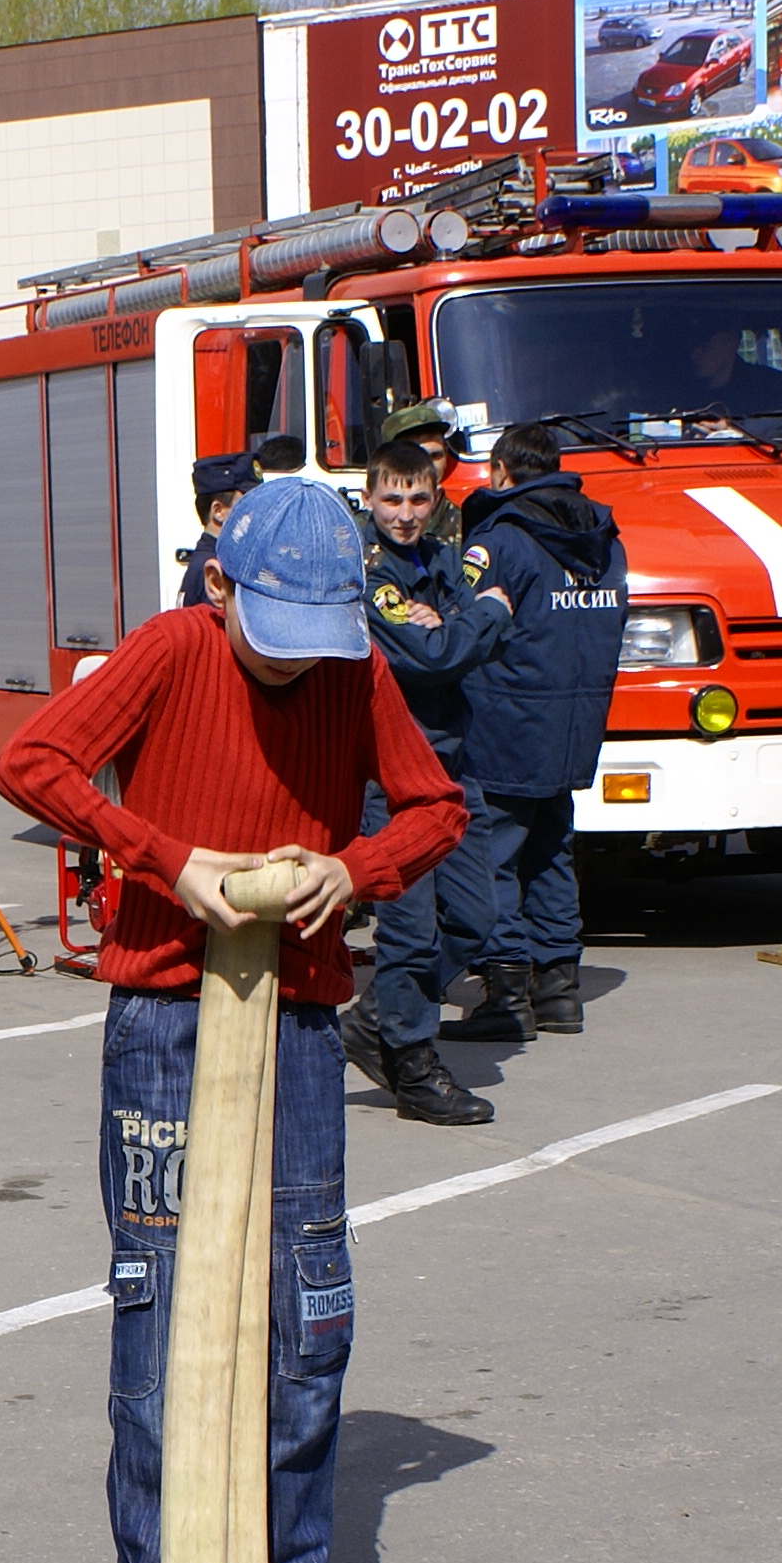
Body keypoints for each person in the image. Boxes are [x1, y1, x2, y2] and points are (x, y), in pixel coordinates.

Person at [0, 482, 467, 1563]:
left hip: (299, 1019)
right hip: (162, 1011)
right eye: (277, 639)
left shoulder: (353, 673)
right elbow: (31, 762)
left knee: (305, 1303)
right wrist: (162, 856)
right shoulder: (172, 648)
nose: (298, 668)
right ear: (218, 588)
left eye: (320, 640)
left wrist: (351, 872)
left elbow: (435, 808)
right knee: (159, 1296)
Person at [424, 423, 629, 1048]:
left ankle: (506, 993)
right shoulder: (603, 536)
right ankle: (559, 987)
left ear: (502, 471)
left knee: (492, 858)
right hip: (573, 720)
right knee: (552, 850)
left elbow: (462, 616)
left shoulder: (501, 538)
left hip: (504, 719)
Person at [337, 441, 491, 1126]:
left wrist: (458, 621)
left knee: (477, 917)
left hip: (452, 762)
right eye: (392, 499)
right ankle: (413, 1059)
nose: (405, 513)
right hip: (394, 771)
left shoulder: (439, 560)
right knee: (408, 933)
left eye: (418, 498)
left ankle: (375, 1020)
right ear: (369, 499)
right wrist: (480, 615)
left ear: (436, 500)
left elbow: (453, 639)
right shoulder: (369, 573)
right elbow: (435, 655)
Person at [176, 450, 254, 608]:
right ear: (219, 511)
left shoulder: (206, 559)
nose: (257, 511)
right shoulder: (217, 568)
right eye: (248, 503)